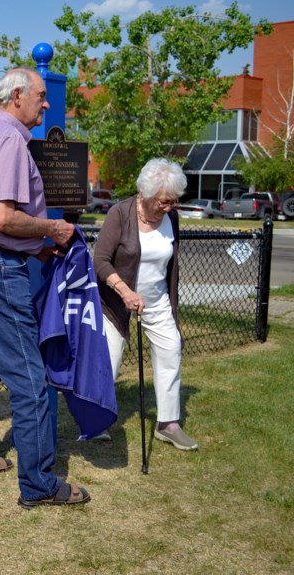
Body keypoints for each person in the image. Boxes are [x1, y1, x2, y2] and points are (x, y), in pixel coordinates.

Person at [0, 67, 91, 509]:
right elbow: (1, 218)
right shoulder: (11, 140)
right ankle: (39, 485)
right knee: (30, 379)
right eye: (41, 96)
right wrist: (51, 229)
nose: (46, 105)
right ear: (17, 95)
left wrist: (34, 247)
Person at [94, 158, 198, 451]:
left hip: (156, 300)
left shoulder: (171, 218)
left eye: (174, 201)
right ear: (146, 194)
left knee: (170, 350)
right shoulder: (120, 214)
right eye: (164, 201)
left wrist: (153, 297)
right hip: (117, 300)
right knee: (109, 362)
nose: (169, 207)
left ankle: (168, 423)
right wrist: (125, 291)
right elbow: (99, 261)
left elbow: (168, 264)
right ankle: (97, 419)